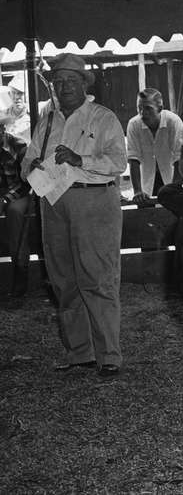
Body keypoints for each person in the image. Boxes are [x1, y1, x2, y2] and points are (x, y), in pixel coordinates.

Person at [22, 53, 127, 376]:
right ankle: (80, 352)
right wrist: (33, 167)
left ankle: (109, 355)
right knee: (64, 279)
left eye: (71, 80)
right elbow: (26, 161)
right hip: (52, 201)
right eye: (58, 82)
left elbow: (118, 161)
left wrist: (80, 160)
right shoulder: (48, 120)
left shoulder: (102, 117)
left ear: (84, 84)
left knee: (97, 278)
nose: (64, 86)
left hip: (93, 202)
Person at [126, 88, 183, 205]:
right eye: (139, 108)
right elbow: (133, 159)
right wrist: (137, 191)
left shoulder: (173, 121)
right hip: (146, 184)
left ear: (160, 108)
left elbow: (180, 158)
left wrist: (174, 189)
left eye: (148, 108)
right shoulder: (133, 124)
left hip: (171, 179)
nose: (143, 113)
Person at [1, 112, 32, 296]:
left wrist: (5, 199)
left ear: (2, 129)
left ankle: (20, 270)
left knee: (15, 213)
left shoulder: (19, 146)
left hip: (18, 194)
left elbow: (28, 183)